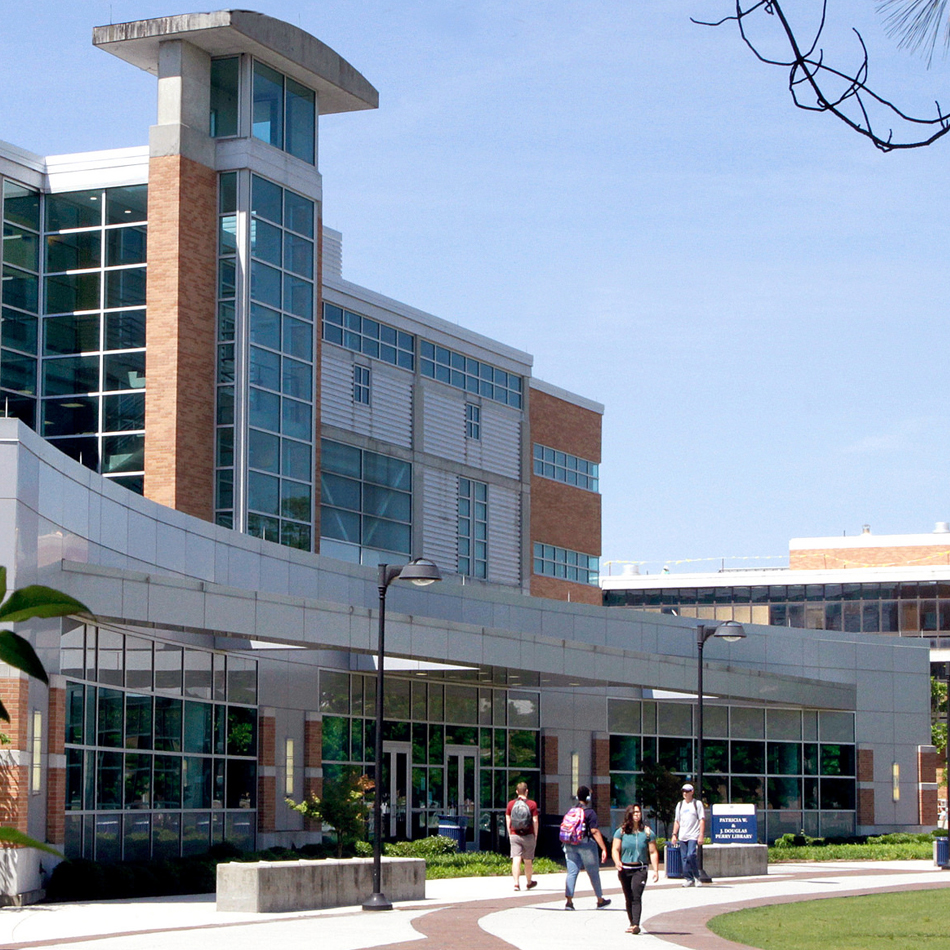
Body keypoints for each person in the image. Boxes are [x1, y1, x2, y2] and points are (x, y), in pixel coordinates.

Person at [560, 785, 611, 910]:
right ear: (588, 798)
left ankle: (569, 902)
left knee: (572, 872)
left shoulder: (571, 810)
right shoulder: (590, 812)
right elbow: (594, 831)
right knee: (593, 872)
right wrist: (604, 848)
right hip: (586, 845)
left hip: (570, 844)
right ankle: (600, 899)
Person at [611, 803, 659, 935]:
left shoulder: (647, 833)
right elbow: (615, 849)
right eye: (634, 812)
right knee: (629, 897)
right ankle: (632, 923)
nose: (637, 814)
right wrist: (617, 862)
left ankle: (636, 924)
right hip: (625, 869)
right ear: (629, 815)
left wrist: (655, 870)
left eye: (638, 812)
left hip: (640, 868)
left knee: (636, 895)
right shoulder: (621, 832)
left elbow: (653, 852)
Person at [505, 781, 539, 890]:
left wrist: (509, 832)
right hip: (528, 835)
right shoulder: (532, 804)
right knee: (528, 860)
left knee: (516, 858)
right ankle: (529, 882)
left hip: (514, 834)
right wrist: (535, 834)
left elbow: (508, 818)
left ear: (516, 791)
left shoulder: (511, 804)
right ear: (527, 791)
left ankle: (516, 883)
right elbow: (535, 820)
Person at [670, 782, 705, 887]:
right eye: (683, 791)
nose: (685, 793)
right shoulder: (680, 805)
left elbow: (702, 820)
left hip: (693, 835)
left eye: (687, 791)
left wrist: (701, 835)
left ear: (692, 792)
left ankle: (697, 877)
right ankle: (689, 878)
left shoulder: (697, 804)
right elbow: (677, 821)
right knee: (684, 858)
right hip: (683, 835)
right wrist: (674, 834)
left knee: (691, 855)